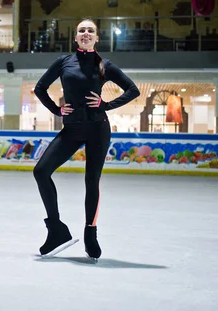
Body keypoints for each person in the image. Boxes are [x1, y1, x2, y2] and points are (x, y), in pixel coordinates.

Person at [33, 18, 140, 260]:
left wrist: (107, 105)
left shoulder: (104, 65)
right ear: (76, 36)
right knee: (41, 171)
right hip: (72, 128)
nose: (86, 33)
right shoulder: (63, 63)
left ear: (96, 38)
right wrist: (56, 110)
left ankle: (90, 233)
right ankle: (56, 230)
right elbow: (40, 88)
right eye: (81, 30)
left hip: (97, 128)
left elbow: (133, 89)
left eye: (90, 30)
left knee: (92, 180)